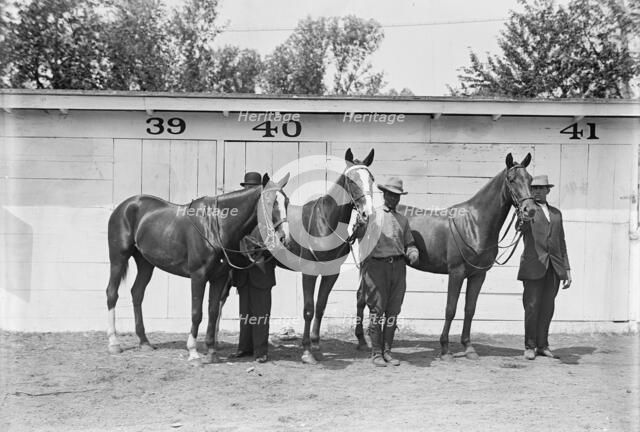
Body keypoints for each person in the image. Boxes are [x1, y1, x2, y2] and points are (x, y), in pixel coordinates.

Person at [354, 177, 419, 367]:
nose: (393, 199)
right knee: (377, 310)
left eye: (397, 196)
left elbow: (410, 243)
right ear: (384, 195)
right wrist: (360, 226)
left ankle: (388, 351)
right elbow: (359, 235)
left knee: (393, 311)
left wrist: (413, 252)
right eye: (390, 195)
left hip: (398, 268)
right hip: (376, 267)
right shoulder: (372, 215)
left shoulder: (403, 220)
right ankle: (376, 353)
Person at [517, 175, 572, 360]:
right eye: (534, 188)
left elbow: (561, 241)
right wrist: (525, 218)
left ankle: (543, 345)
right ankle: (529, 346)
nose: (537, 191)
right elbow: (520, 228)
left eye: (541, 188)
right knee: (532, 307)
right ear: (530, 191)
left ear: (548, 190)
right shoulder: (527, 209)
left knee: (548, 307)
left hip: (554, 267)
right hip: (534, 266)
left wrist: (567, 269)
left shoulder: (556, 213)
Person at [230, 172, 277, 363]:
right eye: (247, 188)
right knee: (245, 314)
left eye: (253, 189)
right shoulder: (238, 215)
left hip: (261, 271)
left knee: (261, 314)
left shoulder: (269, 214)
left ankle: (261, 351)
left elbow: (277, 244)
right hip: (243, 272)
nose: (248, 191)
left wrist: (261, 248)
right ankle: (244, 348)